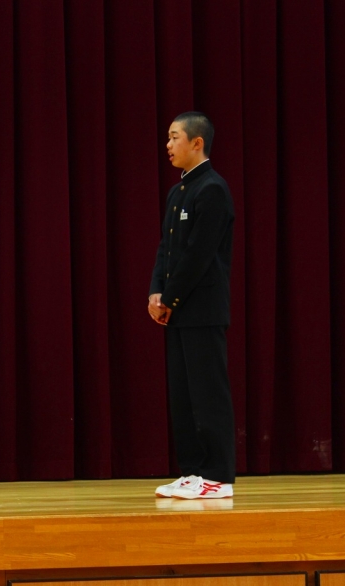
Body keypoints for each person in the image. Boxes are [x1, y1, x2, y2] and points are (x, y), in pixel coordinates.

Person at [148, 111, 236, 500]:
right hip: (178, 309)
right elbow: (167, 249)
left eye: (174, 137)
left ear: (197, 142)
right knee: (183, 395)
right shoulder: (177, 191)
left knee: (208, 394)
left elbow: (198, 255)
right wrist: (156, 292)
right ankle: (193, 472)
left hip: (202, 309)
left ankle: (218, 476)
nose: (168, 145)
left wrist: (170, 298)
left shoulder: (212, 189)